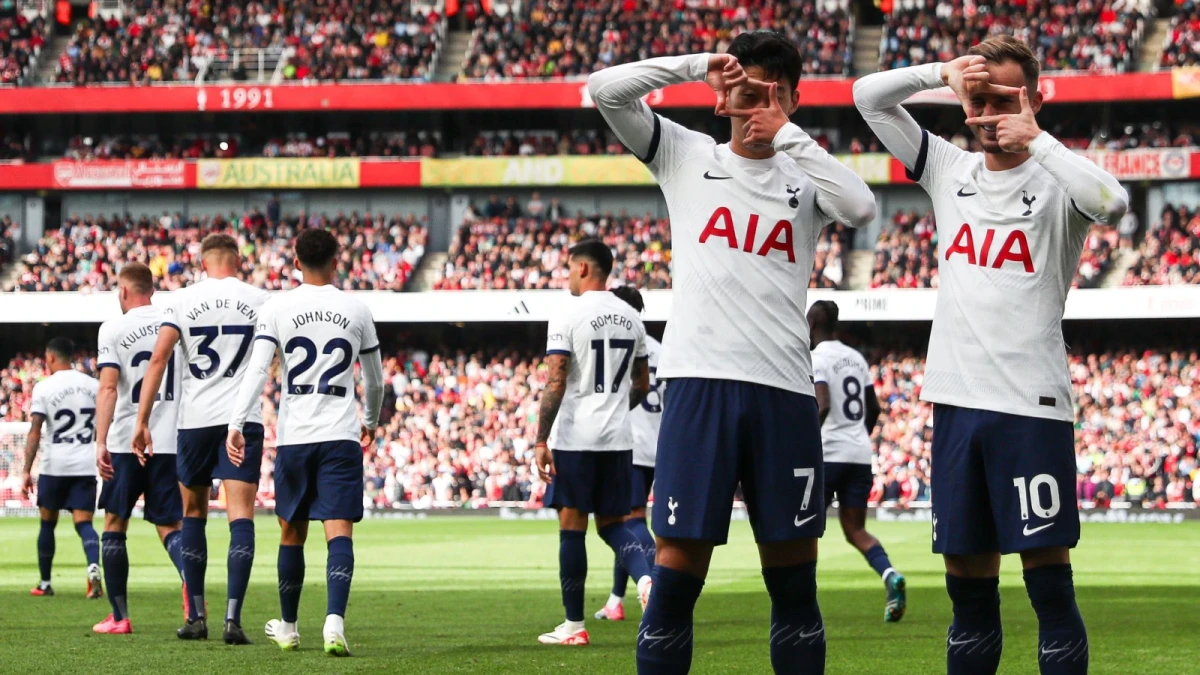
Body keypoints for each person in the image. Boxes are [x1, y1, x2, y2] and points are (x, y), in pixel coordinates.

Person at [589, 30, 875, 674]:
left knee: (795, 586)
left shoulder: (807, 175)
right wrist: (696, 67)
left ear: (795, 99)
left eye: (771, 95)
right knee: (677, 581)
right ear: (721, 97)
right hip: (699, 387)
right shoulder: (685, 154)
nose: (753, 108)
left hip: (784, 393)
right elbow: (604, 91)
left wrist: (788, 132)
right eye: (742, 93)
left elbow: (861, 207)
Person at [854, 34, 1128, 675]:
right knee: (967, 595)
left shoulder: (1058, 178)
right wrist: (941, 74)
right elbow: (867, 97)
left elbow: (1113, 203)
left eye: (1004, 98)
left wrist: (1036, 137)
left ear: (1034, 98)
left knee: (1049, 590)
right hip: (954, 406)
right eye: (978, 100)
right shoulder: (950, 170)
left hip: (1030, 406)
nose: (987, 113)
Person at [225, 228, 383, 656]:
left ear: (295, 261)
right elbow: (374, 377)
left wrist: (236, 421)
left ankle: (291, 628)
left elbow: (257, 369)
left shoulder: (278, 307)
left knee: (291, 532)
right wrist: (370, 419)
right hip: (340, 435)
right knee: (339, 533)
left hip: (295, 437)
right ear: (338, 259)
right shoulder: (356, 308)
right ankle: (334, 623)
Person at [133, 233, 270, 644]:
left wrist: (142, 420)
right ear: (236, 260)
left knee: (192, 513)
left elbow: (158, 359)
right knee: (240, 515)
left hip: (194, 421)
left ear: (203, 261)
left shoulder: (182, 300)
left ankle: (195, 616)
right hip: (241, 420)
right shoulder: (261, 299)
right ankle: (233, 619)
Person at [533, 239, 654, 646]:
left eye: (569, 268)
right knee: (615, 526)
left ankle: (573, 626)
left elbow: (556, 381)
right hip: (618, 439)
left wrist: (540, 439)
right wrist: (617, 407)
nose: (567, 276)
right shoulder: (632, 319)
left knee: (573, 529)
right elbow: (642, 384)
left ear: (584, 268)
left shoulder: (567, 314)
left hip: (577, 437)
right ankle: (648, 578)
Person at [91, 263, 188, 634]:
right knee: (170, 525)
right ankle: (191, 593)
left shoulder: (113, 328)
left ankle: (119, 617)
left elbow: (109, 387)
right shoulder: (174, 322)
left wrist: (100, 441)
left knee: (115, 523)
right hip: (170, 439)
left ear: (124, 292)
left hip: (125, 441)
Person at [807, 300, 906, 622]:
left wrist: (808, 443)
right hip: (859, 456)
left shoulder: (816, 358)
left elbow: (821, 405)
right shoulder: (856, 358)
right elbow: (873, 408)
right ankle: (890, 574)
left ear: (811, 325)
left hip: (828, 455)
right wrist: (857, 438)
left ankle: (803, 602)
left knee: (807, 530)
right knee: (855, 529)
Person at [595, 286, 662, 623]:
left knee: (629, 521)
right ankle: (616, 600)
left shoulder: (620, 346)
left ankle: (656, 588)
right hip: (656, 446)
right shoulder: (662, 350)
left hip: (628, 444)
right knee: (625, 519)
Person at [22, 337, 102, 599]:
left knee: (47, 524)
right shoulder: (94, 386)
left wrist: (26, 470)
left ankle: (45, 583)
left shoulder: (45, 388)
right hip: (84, 463)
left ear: (51, 357)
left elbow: (35, 431)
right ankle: (93, 568)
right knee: (84, 524)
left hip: (54, 465)